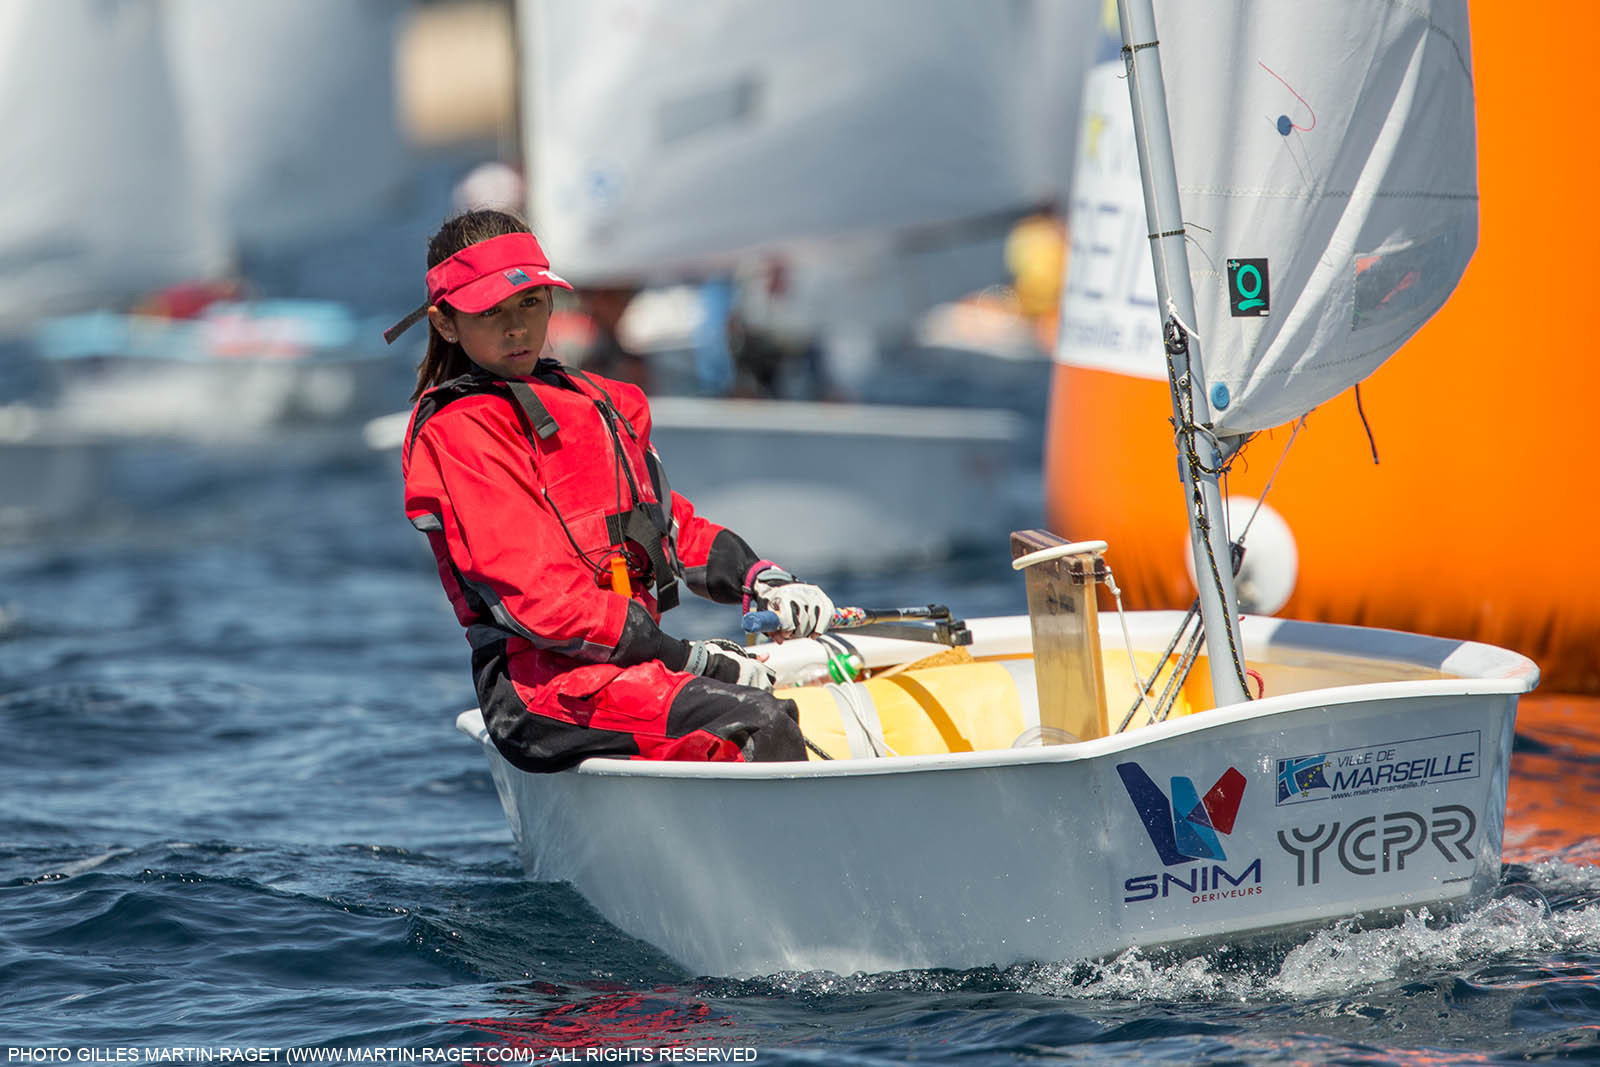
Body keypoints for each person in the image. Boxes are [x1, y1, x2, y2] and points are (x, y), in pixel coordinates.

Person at [387, 209, 836, 772]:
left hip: (629, 670)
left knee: (811, 702)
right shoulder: (459, 431)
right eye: (490, 312)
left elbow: (669, 529)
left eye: (529, 303)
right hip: (540, 694)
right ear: (446, 323)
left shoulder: (600, 401)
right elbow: (540, 599)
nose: (517, 328)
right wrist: (691, 658)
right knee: (760, 721)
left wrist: (763, 579)